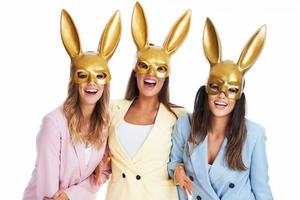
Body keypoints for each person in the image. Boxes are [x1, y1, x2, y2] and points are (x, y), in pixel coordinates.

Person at [168, 18, 273, 200]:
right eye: (216, 87)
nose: (222, 96)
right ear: (206, 88)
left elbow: (262, 190)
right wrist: (176, 170)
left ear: (239, 95)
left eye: (231, 90)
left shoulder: (254, 135)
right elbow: (174, 164)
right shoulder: (186, 124)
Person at [23, 9, 121, 200]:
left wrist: (70, 195)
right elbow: (47, 188)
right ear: (74, 81)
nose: (92, 83)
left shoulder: (105, 122)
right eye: (83, 76)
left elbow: (101, 175)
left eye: (99, 76)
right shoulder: (53, 124)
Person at [104, 2, 191, 200]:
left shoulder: (180, 116)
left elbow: (195, 158)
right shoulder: (113, 109)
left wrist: (180, 169)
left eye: (160, 69)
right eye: (144, 66)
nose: (151, 74)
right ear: (136, 72)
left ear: (166, 75)